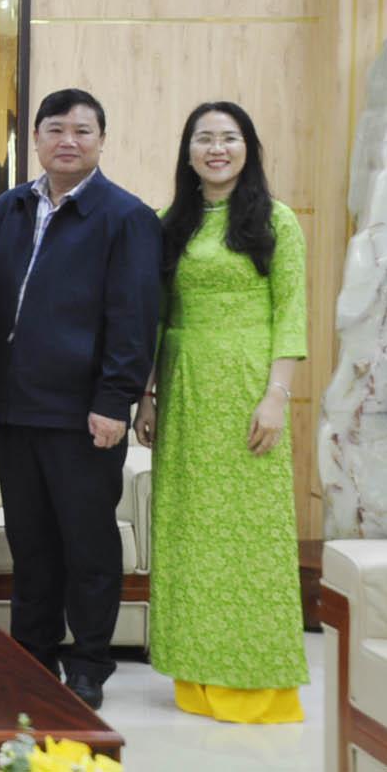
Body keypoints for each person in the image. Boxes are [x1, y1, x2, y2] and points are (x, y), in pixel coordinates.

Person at [0, 88, 161, 710]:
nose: (68, 140)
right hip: (13, 407)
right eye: (55, 129)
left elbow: (134, 318)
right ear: (35, 138)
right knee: (31, 545)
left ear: (101, 141)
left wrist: (115, 402)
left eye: (83, 131)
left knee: (86, 544)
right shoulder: (7, 208)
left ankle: (88, 663)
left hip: (85, 414)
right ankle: (32, 658)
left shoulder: (126, 216)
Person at [135, 102, 308, 723]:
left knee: (249, 534)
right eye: (203, 139)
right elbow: (154, 315)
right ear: (187, 152)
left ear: (248, 148)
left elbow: (290, 311)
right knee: (188, 530)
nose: (216, 149)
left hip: (247, 388)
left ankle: (257, 684)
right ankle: (198, 677)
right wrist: (148, 393)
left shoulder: (276, 220)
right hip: (184, 388)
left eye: (228, 138)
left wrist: (276, 395)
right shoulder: (167, 223)